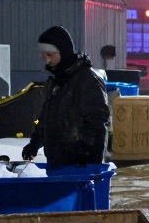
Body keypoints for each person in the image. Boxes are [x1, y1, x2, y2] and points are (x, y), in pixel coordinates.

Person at [22, 26, 110, 168]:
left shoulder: (86, 80)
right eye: (43, 56)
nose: (46, 61)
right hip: (58, 162)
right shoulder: (57, 81)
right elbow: (47, 118)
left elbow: (97, 121)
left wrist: (87, 154)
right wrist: (35, 143)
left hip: (81, 164)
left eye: (50, 55)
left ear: (63, 51)